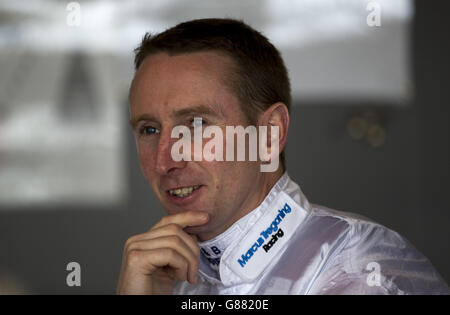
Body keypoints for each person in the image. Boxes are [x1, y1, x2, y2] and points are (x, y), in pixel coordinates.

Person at [117, 18, 449, 295]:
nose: (165, 160)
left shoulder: (358, 276)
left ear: (269, 134)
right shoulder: (177, 281)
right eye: (148, 130)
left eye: (196, 124)